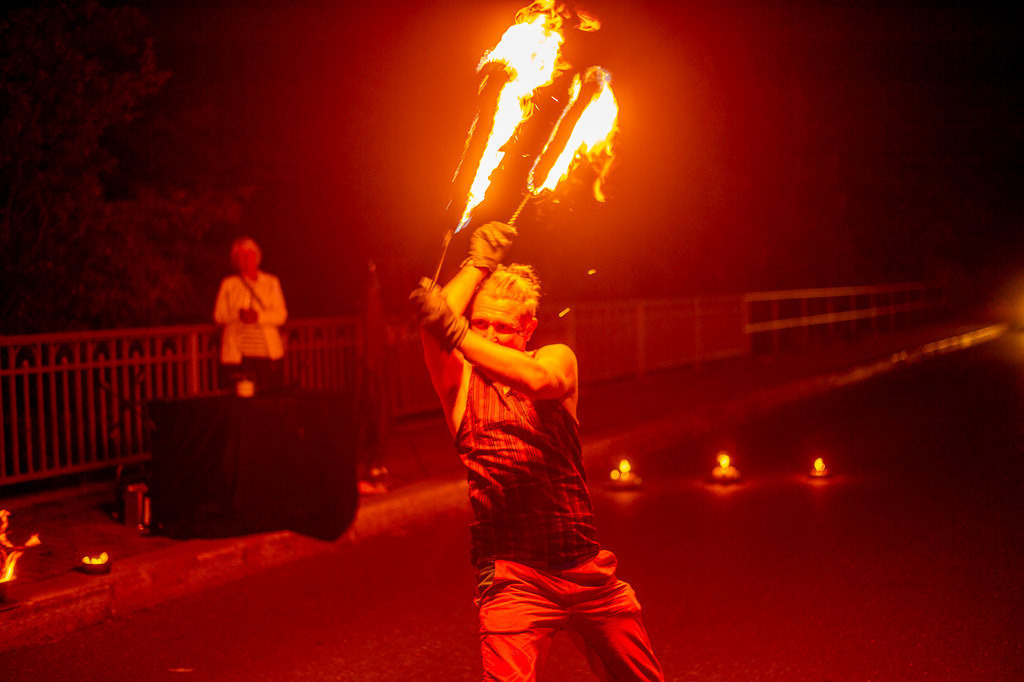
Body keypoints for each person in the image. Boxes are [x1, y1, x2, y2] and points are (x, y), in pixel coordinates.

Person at [409, 222, 663, 681]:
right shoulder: (461, 385)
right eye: (478, 323)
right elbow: (434, 329)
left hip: (586, 569)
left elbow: (538, 381)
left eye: (502, 327)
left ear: (529, 328)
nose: (486, 334)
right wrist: (476, 264)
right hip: (512, 578)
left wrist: (457, 331)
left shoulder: (557, 358)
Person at [213, 236, 288, 391]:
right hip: (238, 354)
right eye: (240, 256)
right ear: (235, 260)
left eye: (249, 255)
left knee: (268, 397)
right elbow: (218, 316)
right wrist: (237, 315)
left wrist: (258, 317)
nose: (245, 259)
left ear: (257, 257)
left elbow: (281, 315)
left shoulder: (271, 282)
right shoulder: (229, 284)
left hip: (266, 354)